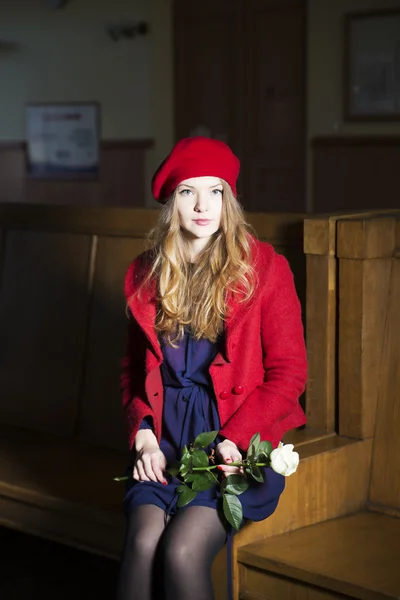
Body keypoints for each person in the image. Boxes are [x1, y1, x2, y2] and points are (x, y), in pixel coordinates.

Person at [116, 137, 308, 600]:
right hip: (165, 443)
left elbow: (289, 373)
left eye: (216, 191)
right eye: (188, 192)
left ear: (230, 199)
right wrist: (142, 433)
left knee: (181, 551)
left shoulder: (265, 270)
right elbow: (131, 371)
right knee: (142, 543)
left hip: (234, 443)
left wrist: (234, 441)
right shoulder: (147, 274)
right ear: (170, 203)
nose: (203, 205)